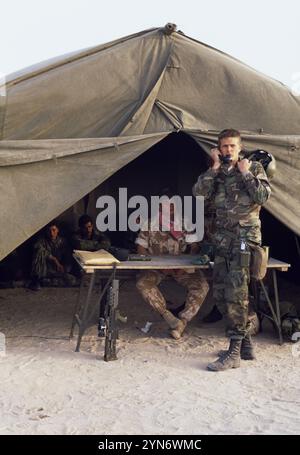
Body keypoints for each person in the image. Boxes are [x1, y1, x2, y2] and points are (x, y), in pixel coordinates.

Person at [193, 129, 271, 371]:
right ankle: (245, 345)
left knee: (236, 293)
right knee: (220, 293)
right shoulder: (217, 173)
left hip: (244, 240)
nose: (228, 150)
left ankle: (234, 351)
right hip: (222, 241)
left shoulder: (254, 168)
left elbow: (263, 196)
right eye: (224, 146)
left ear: (240, 147)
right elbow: (198, 194)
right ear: (218, 148)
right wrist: (214, 168)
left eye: (232, 146)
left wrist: (246, 173)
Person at [135, 198, 209, 340]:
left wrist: (186, 267)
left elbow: (195, 248)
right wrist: (158, 266)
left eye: (172, 205)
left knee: (202, 286)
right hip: (157, 268)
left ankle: (183, 322)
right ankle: (170, 319)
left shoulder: (185, 222)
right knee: (143, 284)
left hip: (181, 268)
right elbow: (140, 248)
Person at [30, 221, 76, 290]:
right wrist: (54, 259)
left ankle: (45, 282)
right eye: (49, 231)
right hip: (45, 269)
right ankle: (37, 280)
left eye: (54, 230)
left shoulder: (63, 242)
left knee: (72, 280)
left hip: (57, 270)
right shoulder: (42, 240)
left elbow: (68, 257)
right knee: (39, 253)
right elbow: (38, 249)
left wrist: (65, 268)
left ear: (57, 230)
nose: (51, 233)